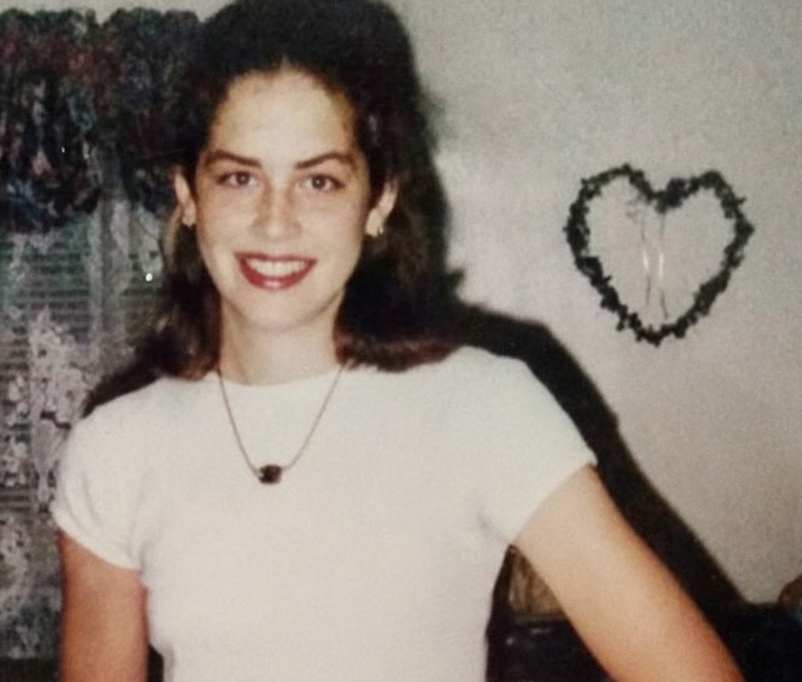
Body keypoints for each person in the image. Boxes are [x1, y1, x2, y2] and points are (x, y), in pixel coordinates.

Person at [51, 0, 743, 679]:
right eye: (239, 177)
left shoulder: (487, 409)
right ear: (189, 196)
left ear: (378, 201)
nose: (275, 221)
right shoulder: (117, 448)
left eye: (319, 181)